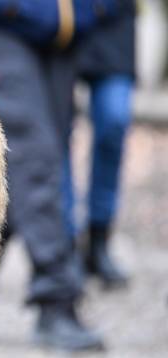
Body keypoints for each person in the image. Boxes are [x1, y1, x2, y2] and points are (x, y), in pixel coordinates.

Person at [0, 0, 126, 351]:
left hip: (64, 34)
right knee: (36, 160)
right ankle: (55, 300)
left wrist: (92, 12)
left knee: (25, 168)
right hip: (2, 26)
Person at [64, 0, 136, 289]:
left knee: (114, 120)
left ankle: (98, 237)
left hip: (114, 18)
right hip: (60, 16)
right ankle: (65, 241)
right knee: (56, 130)